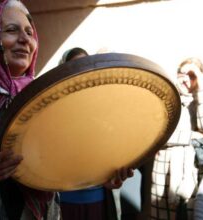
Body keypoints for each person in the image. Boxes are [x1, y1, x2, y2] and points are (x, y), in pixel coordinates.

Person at [0, 1, 132, 219]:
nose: (25, 39)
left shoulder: (46, 97)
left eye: (29, 32)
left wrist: (100, 175)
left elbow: (61, 163)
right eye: (11, 30)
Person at [140, 57, 203, 219]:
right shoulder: (165, 100)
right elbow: (156, 135)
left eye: (192, 75)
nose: (186, 79)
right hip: (163, 174)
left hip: (193, 176)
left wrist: (200, 89)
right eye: (182, 74)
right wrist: (193, 136)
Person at [58, 47, 127, 220]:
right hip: (65, 202)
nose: (81, 70)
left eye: (85, 64)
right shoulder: (55, 109)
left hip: (99, 201)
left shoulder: (103, 108)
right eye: (75, 66)